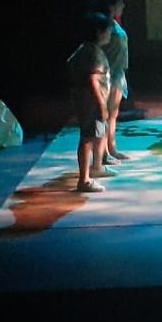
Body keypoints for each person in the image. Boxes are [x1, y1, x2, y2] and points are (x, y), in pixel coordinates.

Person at [67, 12, 114, 192]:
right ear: (99, 32)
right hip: (91, 104)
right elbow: (93, 79)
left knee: (98, 133)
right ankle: (84, 179)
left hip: (92, 102)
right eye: (107, 31)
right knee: (87, 137)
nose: (109, 34)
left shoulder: (85, 49)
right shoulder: (93, 52)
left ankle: (97, 167)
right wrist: (101, 105)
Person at [94, 0, 130, 165]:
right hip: (107, 75)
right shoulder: (104, 24)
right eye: (120, 2)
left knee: (113, 114)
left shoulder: (114, 24)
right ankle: (102, 154)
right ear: (111, 6)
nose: (123, 6)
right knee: (104, 116)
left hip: (117, 74)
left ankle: (111, 148)